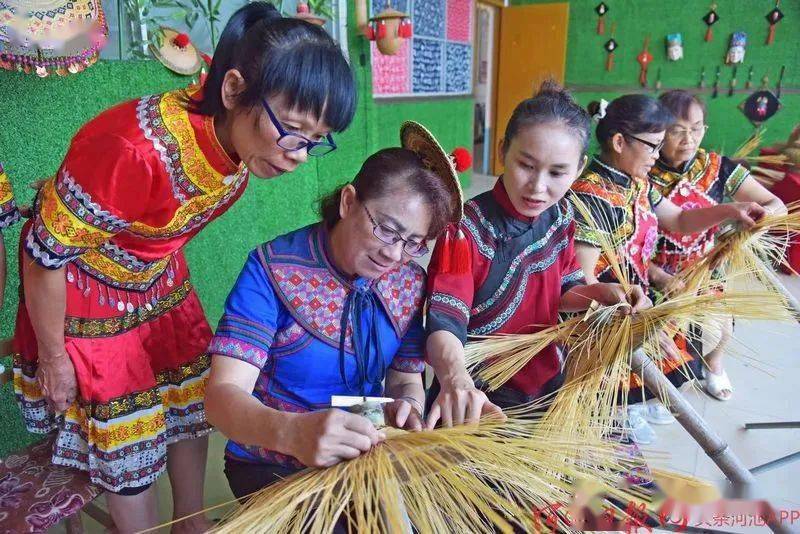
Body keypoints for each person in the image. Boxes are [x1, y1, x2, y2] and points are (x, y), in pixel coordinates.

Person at [11, 3, 356, 532]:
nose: (299, 156)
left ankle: (189, 521)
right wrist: (55, 356)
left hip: (159, 282)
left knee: (193, 401)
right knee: (132, 444)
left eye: (316, 140)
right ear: (234, 89)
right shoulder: (132, 150)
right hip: (82, 287)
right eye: (292, 130)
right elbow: (43, 255)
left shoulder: (238, 155)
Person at [203, 124, 462, 506]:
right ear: (348, 202)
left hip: (366, 451)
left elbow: (405, 381)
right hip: (274, 458)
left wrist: (407, 408)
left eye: (413, 243)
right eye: (387, 230)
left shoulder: (408, 281)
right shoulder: (272, 268)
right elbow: (221, 398)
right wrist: (293, 433)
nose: (394, 254)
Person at [423, 81, 650, 427]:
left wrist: (603, 294)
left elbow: (562, 292)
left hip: (545, 379)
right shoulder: (464, 230)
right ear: (503, 151)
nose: (538, 187)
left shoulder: (560, 217)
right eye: (526, 166)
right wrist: (455, 379)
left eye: (558, 172)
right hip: (478, 396)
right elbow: (445, 323)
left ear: (579, 168)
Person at [570, 94, 765, 444]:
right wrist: (624, 314)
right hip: (607, 313)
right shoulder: (593, 196)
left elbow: (679, 219)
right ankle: (616, 413)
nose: (658, 156)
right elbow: (583, 282)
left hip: (636, 297)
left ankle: (635, 404)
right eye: (653, 146)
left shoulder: (635, 182)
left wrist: (730, 210)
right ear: (618, 142)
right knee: (619, 378)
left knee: (688, 330)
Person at [650, 90, 785, 401]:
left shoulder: (716, 167)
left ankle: (715, 362)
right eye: (677, 130)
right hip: (654, 271)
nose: (689, 139)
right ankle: (664, 383)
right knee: (672, 337)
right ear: (659, 130)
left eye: (697, 128)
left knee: (721, 325)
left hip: (706, 266)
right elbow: (628, 241)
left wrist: (750, 226)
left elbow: (773, 204)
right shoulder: (644, 172)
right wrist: (660, 276)